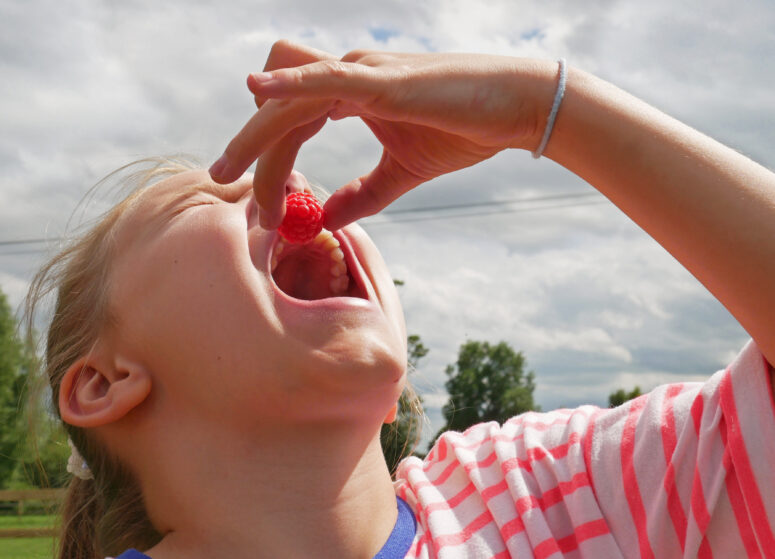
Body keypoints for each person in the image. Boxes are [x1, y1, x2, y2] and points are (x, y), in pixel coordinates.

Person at [26, 39, 774, 558]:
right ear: (103, 382)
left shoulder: (544, 491)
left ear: (393, 398)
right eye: (208, 200)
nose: (293, 189)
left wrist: (546, 109)